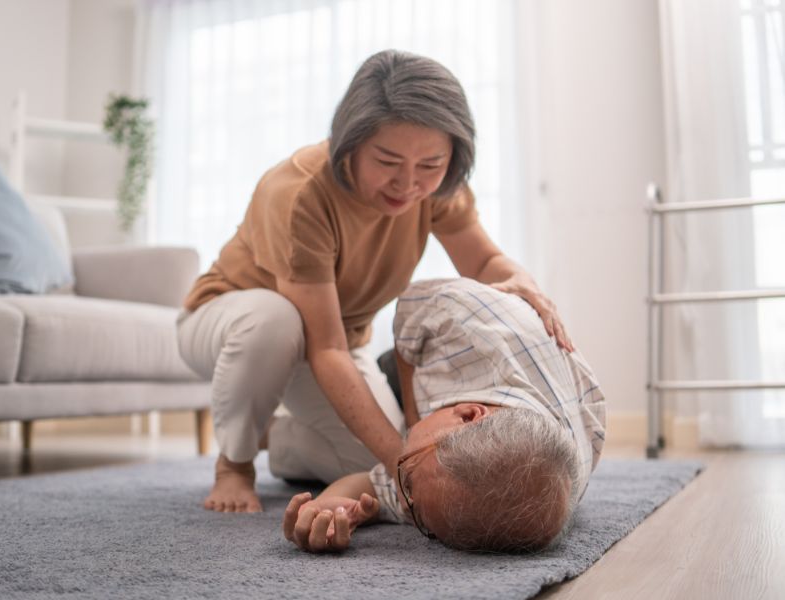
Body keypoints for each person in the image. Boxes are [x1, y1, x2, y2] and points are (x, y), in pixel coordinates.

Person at [177, 49, 574, 514]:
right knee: (278, 320)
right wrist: (401, 460)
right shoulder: (299, 192)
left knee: (378, 474)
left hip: (332, 344)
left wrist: (524, 285)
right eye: (387, 160)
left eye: (430, 165)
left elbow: (485, 261)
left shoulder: (437, 188)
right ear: (350, 143)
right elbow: (325, 348)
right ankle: (234, 462)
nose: (408, 183)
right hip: (232, 323)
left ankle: (278, 439)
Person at [282, 278, 606, 553]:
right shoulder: (459, 318)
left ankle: (282, 442)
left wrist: (331, 506)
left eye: (422, 519)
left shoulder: (467, 497)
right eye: (407, 473)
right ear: (466, 414)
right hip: (418, 365)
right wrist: (411, 413)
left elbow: (371, 484)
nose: (404, 494)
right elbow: (407, 307)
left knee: (338, 457)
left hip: (449, 399)